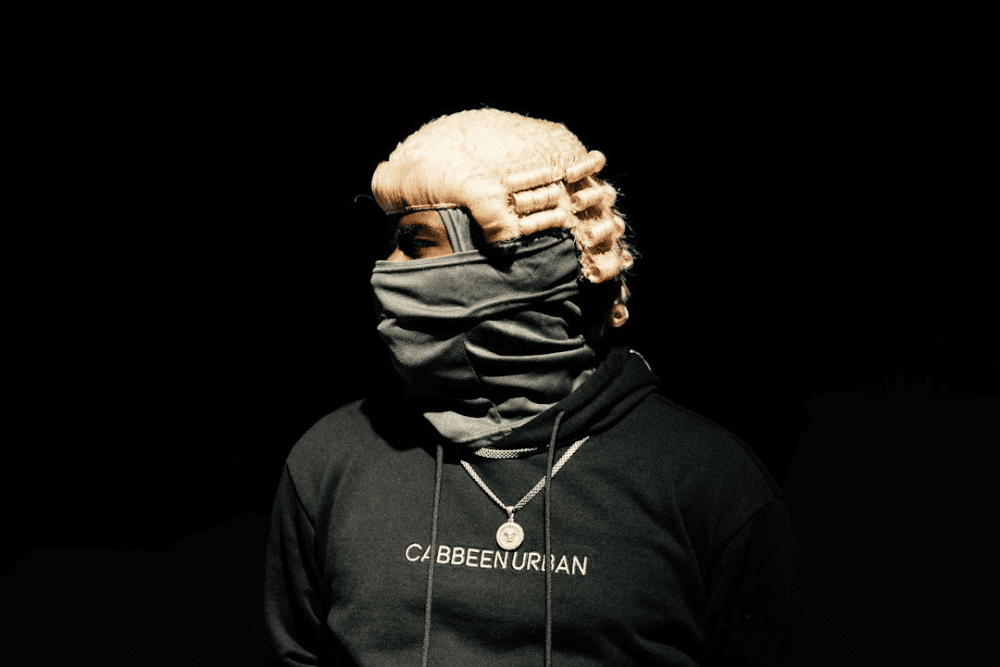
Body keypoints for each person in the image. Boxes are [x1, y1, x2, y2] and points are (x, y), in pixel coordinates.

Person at [264, 108, 797, 666]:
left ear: (524, 262)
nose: (385, 269)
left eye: (416, 244)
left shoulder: (708, 483)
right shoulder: (333, 460)